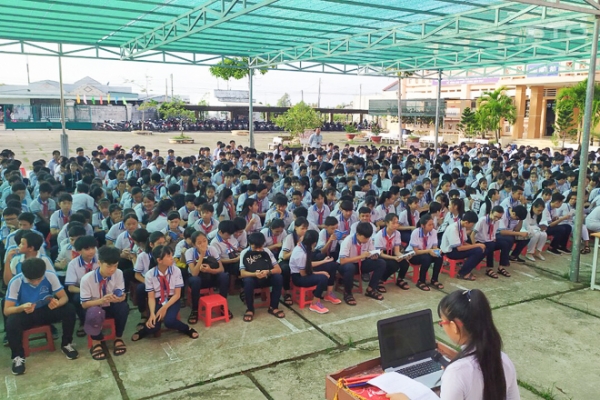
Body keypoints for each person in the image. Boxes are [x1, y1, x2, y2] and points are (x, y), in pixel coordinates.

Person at [387, 289, 519, 400]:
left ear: (454, 326)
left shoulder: (457, 372)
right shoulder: (503, 359)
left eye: (442, 323)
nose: (442, 327)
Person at [5, 258, 79, 375]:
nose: (36, 283)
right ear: (24, 275)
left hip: (47, 309)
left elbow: (64, 297)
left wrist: (57, 303)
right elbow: (7, 310)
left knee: (69, 309)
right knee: (12, 321)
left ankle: (66, 344)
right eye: (31, 280)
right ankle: (18, 356)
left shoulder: (50, 276)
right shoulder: (16, 282)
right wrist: (21, 308)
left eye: (39, 279)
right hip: (27, 313)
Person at [131, 245, 198, 341]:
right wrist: (153, 314)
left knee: (169, 322)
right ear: (159, 260)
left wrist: (164, 308)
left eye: (172, 255)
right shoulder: (150, 274)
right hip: (158, 299)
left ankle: (187, 329)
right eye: (169, 256)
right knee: (154, 325)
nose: (172, 258)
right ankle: (144, 331)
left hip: (173, 299)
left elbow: (177, 294)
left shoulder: (176, 270)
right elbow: (151, 297)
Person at [80, 246, 129, 360]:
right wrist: (101, 301)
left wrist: (120, 298)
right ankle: (96, 342)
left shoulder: (118, 273)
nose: (112, 269)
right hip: (95, 307)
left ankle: (118, 337)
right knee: (94, 311)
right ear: (99, 263)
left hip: (111, 305)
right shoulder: (87, 279)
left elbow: (120, 292)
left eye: (115, 266)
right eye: (109, 266)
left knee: (123, 307)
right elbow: (84, 304)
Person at [289, 230, 340, 314]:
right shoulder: (300, 253)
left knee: (331, 265)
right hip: (299, 277)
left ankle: (329, 294)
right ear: (314, 242)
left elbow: (308, 264)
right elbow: (304, 273)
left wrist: (323, 261)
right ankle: (314, 303)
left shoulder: (304, 246)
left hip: (305, 271)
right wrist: (321, 273)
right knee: (323, 278)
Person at [186, 231, 230, 324]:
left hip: (210, 276)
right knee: (195, 280)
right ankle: (195, 310)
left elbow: (221, 268)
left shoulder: (212, 249)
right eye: (199, 242)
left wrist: (210, 270)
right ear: (194, 244)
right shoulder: (189, 252)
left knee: (224, 276)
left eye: (204, 241)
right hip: (198, 279)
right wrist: (202, 255)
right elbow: (194, 273)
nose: (203, 244)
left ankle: (223, 305)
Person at [239, 232, 285, 321]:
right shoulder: (244, 253)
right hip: (253, 279)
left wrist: (268, 272)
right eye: (255, 248)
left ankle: (273, 306)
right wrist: (255, 274)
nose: (258, 250)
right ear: (250, 244)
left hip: (266, 277)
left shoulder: (266, 251)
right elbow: (242, 273)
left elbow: (278, 269)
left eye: (260, 247)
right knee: (247, 281)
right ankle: (250, 309)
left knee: (278, 278)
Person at [338, 222, 386, 305]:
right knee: (350, 267)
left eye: (368, 238)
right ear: (358, 234)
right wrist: (361, 256)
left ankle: (371, 289)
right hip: (346, 265)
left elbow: (370, 252)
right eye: (364, 238)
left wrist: (374, 256)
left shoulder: (368, 239)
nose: (366, 240)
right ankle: (348, 293)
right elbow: (342, 261)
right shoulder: (348, 240)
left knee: (381, 263)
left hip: (361, 263)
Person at [440, 211, 486, 281]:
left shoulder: (462, 226)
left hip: (457, 248)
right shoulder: (453, 228)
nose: (472, 226)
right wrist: (476, 245)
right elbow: (459, 248)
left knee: (482, 249)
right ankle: (463, 273)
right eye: (472, 224)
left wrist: (476, 246)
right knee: (478, 251)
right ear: (467, 222)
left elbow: (463, 242)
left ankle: (466, 270)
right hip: (451, 252)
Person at [373, 213, 411, 291]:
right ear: (387, 223)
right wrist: (394, 258)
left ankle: (400, 279)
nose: (396, 225)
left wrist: (403, 256)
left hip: (391, 252)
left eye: (397, 223)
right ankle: (380, 280)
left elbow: (397, 251)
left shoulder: (397, 233)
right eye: (393, 223)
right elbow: (380, 253)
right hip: (381, 254)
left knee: (405, 262)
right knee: (393, 265)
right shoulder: (379, 235)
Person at [406, 214, 443, 292]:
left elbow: (434, 247)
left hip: (426, 253)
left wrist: (438, 251)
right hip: (413, 255)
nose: (432, 226)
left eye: (432, 224)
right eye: (429, 225)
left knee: (439, 257)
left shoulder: (434, 232)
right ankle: (421, 281)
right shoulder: (416, 232)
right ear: (423, 225)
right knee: (426, 258)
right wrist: (429, 251)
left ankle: (434, 279)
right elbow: (416, 251)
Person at [472, 205, 507, 279]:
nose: (497, 219)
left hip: (489, 240)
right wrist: (474, 246)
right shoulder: (482, 220)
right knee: (490, 245)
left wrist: (493, 238)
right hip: (480, 241)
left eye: (499, 218)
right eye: (495, 216)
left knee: (505, 243)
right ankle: (489, 268)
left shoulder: (496, 222)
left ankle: (501, 267)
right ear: (491, 212)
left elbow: (493, 234)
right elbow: (472, 234)